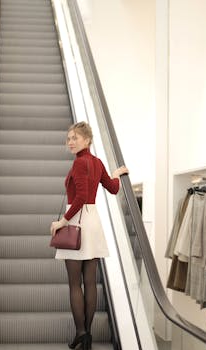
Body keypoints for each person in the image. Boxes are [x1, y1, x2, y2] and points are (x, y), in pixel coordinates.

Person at [50, 121, 128, 350]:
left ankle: (81, 332)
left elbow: (81, 196)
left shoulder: (79, 164)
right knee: (90, 282)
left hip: (76, 221)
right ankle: (88, 335)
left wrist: (62, 221)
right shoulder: (96, 162)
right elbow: (113, 188)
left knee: (75, 284)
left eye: (75, 138)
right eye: (69, 139)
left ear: (87, 140)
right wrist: (116, 175)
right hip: (92, 222)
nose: (70, 142)